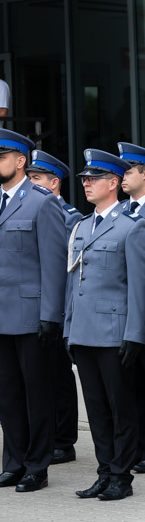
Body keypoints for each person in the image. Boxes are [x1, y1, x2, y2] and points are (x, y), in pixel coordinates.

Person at [0, 129, 66, 493]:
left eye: (0, 157)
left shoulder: (42, 202)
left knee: (36, 394)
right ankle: (12, 464)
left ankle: (36, 467)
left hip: (30, 316)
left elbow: (54, 264)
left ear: (20, 161)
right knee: (9, 395)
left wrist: (50, 316)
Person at [65, 149, 145, 501]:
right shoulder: (82, 226)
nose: (86, 183)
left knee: (120, 407)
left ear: (113, 183)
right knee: (96, 408)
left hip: (114, 333)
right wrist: (69, 329)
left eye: (93, 178)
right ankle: (103, 471)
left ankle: (121, 477)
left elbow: (139, 287)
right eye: (84, 179)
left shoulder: (132, 227)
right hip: (84, 332)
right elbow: (73, 282)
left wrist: (135, 333)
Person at [26, 150, 81, 466]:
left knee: (59, 375)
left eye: (36, 179)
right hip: (35, 305)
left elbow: (64, 268)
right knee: (40, 376)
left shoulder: (69, 216)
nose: (31, 184)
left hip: (57, 307)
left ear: (54, 182)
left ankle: (64, 440)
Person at [117, 142, 145, 474]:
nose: (121, 176)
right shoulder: (121, 213)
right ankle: (137, 449)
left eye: (127, 170)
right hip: (125, 317)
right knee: (131, 388)